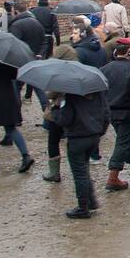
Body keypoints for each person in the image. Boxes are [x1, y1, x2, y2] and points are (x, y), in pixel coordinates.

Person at [54, 78, 110, 219]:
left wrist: (56, 108)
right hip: (94, 137)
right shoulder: (99, 94)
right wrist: (100, 131)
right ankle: (91, 202)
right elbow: (106, 114)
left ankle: (83, 207)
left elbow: (64, 120)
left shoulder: (70, 97)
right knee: (84, 170)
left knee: (80, 173)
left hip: (77, 139)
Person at [103, 39, 130, 191]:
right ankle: (113, 177)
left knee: (124, 138)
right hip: (126, 113)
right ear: (129, 52)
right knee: (123, 141)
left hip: (110, 112)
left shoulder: (105, 69)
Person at [41, 41, 80, 183]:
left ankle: (54, 172)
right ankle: (78, 170)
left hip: (59, 112)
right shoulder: (79, 71)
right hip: (76, 112)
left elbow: (50, 94)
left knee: (53, 141)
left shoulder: (61, 74)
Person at [10, 0, 49, 107]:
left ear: (15, 10)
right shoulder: (37, 23)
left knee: (16, 88)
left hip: (21, 63)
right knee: (39, 88)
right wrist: (40, 54)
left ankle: (17, 117)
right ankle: (48, 112)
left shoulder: (16, 25)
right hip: (34, 60)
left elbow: (14, 45)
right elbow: (44, 41)